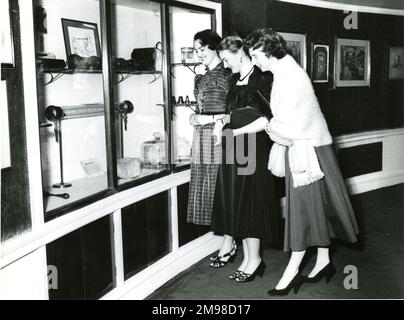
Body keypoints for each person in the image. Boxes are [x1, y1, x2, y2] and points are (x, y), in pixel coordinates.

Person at [245, 29, 359, 295]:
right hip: (314, 148)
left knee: (303, 212)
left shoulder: (288, 77)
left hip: (305, 152)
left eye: (256, 55)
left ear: (270, 52)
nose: (254, 61)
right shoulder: (287, 72)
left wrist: (269, 127)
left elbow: (288, 127)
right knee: (317, 207)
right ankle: (323, 260)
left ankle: (293, 270)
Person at [209, 35, 281, 283]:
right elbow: (231, 113)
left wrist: (236, 132)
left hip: (252, 146)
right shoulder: (233, 79)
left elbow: (268, 119)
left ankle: (254, 261)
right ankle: (246, 258)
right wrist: (221, 124)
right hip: (233, 147)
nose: (225, 65)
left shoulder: (263, 78)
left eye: (227, 60)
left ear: (240, 54)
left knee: (250, 203)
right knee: (236, 201)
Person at [187, 30, 232, 229]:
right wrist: (193, 117)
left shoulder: (228, 74)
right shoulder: (200, 79)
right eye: (197, 50)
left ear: (214, 47)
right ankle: (225, 239)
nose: (199, 54)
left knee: (220, 186)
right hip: (202, 138)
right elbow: (199, 110)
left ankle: (229, 238)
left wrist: (209, 118)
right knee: (205, 187)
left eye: (203, 48)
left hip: (221, 136)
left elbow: (236, 112)